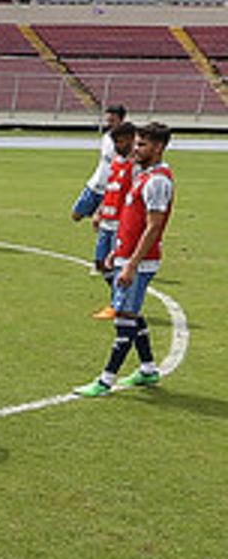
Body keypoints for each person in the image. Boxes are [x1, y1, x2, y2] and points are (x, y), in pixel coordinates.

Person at [75, 123, 174, 397]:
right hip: (126, 255)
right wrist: (117, 251)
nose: (136, 148)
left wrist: (130, 263)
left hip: (139, 262)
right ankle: (148, 369)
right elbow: (132, 220)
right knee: (132, 313)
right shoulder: (143, 175)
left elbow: (154, 226)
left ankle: (106, 380)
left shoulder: (157, 181)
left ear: (158, 147)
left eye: (142, 144)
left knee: (125, 319)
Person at [84, 122, 136, 320]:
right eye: (115, 141)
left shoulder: (135, 167)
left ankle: (118, 304)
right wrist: (99, 212)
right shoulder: (116, 162)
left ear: (132, 139)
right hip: (107, 220)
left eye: (121, 141)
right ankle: (118, 299)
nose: (117, 145)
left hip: (121, 225)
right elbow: (111, 189)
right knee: (101, 263)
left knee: (117, 265)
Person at [70, 105, 127, 223]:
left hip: (110, 189)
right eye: (108, 120)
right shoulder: (106, 137)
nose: (109, 123)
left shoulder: (127, 142)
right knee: (76, 215)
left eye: (113, 121)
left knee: (101, 222)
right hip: (94, 185)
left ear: (121, 120)